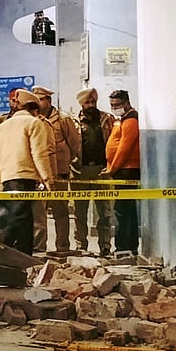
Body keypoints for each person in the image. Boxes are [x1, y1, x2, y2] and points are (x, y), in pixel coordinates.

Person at [0, 89, 55, 255]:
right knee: (20, 218)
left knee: (18, 218)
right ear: (35, 109)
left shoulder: (2, 127)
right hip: (24, 177)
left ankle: (17, 254)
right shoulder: (34, 123)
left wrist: (0, 180)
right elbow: (39, 154)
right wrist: (48, 179)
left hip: (7, 178)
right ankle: (7, 252)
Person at [31, 86, 81, 253]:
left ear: (48, 100)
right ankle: (39, 248)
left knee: (60, 211)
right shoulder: (33, 119)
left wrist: (64, 162)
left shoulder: (63, 119)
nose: (37, 103)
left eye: (41, 99)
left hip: (58, 173)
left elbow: (74, 144)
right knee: (39, 213)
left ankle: (62, 247)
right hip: (38, 174)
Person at [72, 87, 115, 256]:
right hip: (79, 171)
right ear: (82, 104)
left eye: (93, 102)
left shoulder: (107, 119)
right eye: (87, 102)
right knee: (79, 212)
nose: (91, 105)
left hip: (101, 170)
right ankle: (81, 246)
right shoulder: (73, 121)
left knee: (104, 212)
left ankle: (105, 246)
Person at [102, 89, 140, 255]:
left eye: (117, 104)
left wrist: (112, 168)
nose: (114, 107)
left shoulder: (131, 120)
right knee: (126, 209)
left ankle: (123, 247)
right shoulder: (122, 119)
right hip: (121, 170)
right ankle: (128, 246)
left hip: (126, 171)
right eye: (112, 105)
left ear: (126, 103)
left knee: (122, 210)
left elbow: (124, 148)